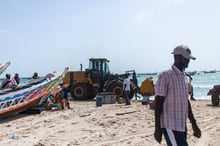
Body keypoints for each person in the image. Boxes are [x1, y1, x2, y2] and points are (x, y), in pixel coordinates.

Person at [154, 45, 201, 146]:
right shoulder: (165, 75)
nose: (188, 61)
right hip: (170, 125)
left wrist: (194, 123)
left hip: (181, 125)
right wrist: (158, 128)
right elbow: (158, 103)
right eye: (186, 59)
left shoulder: (184, 78)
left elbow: (186, 102)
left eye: (189, 59)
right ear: (177, 57)